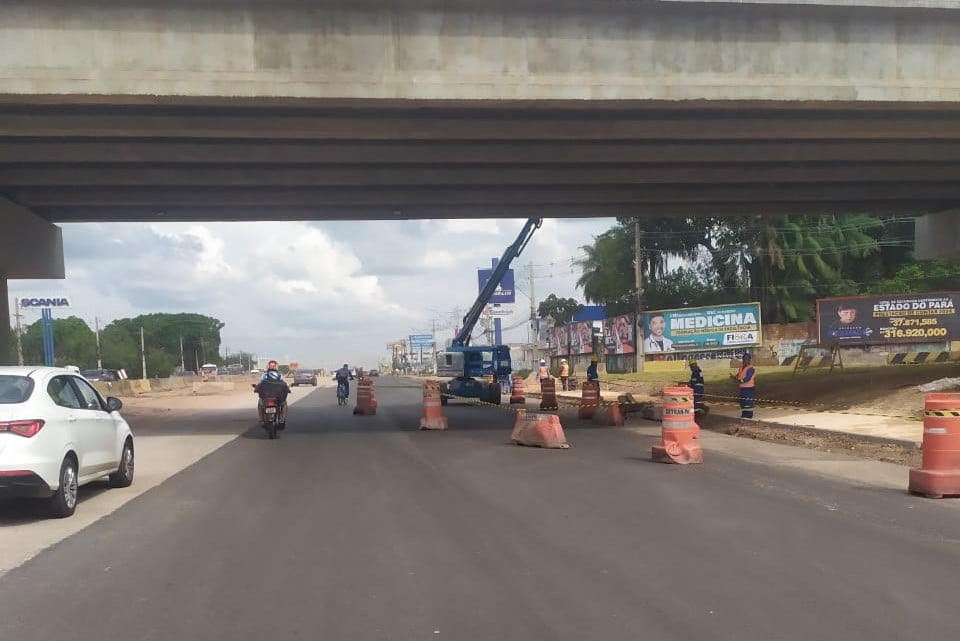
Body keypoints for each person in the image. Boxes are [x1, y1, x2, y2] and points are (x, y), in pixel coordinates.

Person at [255, 360, 290, 424]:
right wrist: (288, 390)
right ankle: (282, 419)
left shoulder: (264, 376)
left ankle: (261, 419)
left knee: (260, 404)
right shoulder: (280, 376)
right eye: (272, 366)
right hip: (278, 397)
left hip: (266, 397)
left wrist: (256, 389)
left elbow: (259, 385)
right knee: (284, 404)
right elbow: (285, 385)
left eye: (272, 366)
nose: (272, 367)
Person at [730, 352, 756, 419]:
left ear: (749, 360)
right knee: (743, 402)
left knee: (748, 402)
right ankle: (744, 414)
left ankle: (749, 415)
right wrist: (734, 377)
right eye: (744, 359)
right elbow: (738, 376)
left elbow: (747, 378)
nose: (745, 360)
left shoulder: (751, 368)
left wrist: (739, 381)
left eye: (747, 359)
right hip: (742, 388)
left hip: (749, 388)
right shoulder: (741, 368)